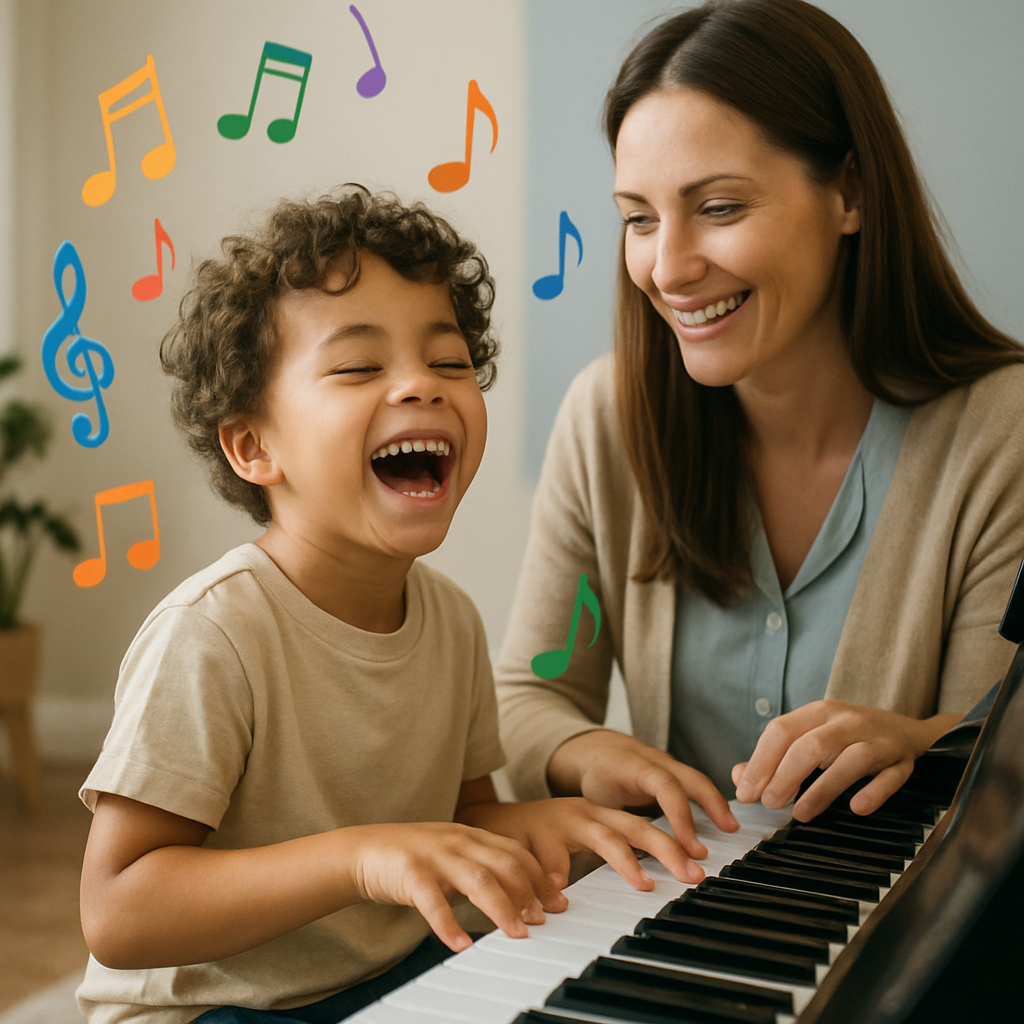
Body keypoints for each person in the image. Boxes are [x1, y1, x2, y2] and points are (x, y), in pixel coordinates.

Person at [75, 187, 695, 1024]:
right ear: (253, 445)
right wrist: (359, 859)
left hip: (389, 980)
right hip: (219, 1010)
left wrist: (545, 824)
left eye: (447, 362)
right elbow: (118, 912)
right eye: (360, 367)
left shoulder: (451, 621)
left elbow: (465, 817)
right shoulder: (212, 634)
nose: (421, 387)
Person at [495, 0, 1024, 876]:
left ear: (849, 193)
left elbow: (1002, 755)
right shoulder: (607, 419)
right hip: (664, 928)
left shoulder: (999, 433)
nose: (667, 268)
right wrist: (591, 753)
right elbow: (526, 697)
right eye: (639, 217)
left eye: (719, 207)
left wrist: (918, 741)